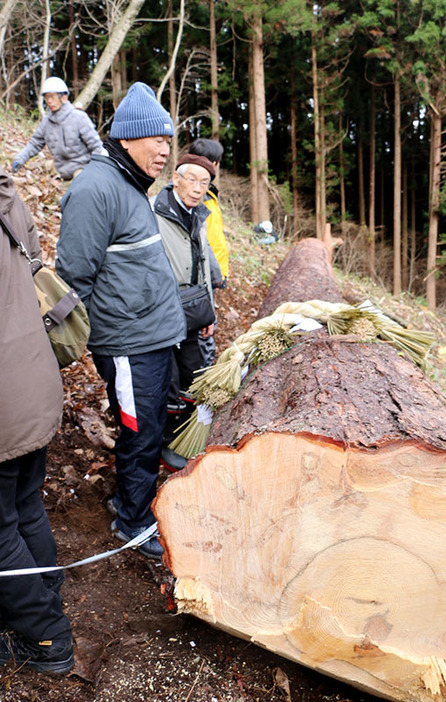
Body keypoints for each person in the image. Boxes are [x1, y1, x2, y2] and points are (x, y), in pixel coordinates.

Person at [55, 82, 186, 560]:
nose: (165, 151)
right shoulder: (96, 189)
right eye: (158, 141)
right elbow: (73, 280)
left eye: (169, 142)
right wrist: (76, 349)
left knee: (151, 427)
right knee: (139, 432)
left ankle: (133, 499)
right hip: (128, 345)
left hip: (154, 338)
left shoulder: (130, 183)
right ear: (130, 138)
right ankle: (133, 522)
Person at [0, 165, 74, 673]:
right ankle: (44, 588)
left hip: (5, 399)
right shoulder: (7, 192)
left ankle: (48, 638)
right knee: (25, 502)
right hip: (33, 378)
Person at [153, 153, 218, 471]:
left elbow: (206, 266)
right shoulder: (153, 212)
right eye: (191, 179)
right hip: (163, 311)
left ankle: (185, 439)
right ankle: (165, 444)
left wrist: (211, 314)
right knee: (168, 381)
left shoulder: (200, 215)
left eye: (204, 183)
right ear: (175, 178)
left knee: (194, 379)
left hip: (195, 311)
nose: (197, 188)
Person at [12, 76, 103, 188]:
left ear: (63, 97)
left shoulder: (79, 117)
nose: (49, 101)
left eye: (52, 97)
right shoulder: (46, 123)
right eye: (47, 97)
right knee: (66, 203)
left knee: (80, 197)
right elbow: (34, 144)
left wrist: (97, 170)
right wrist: (19, 159)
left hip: (84, 171)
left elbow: (96, 146)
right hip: (64, 175)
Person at [188, 138, 229, 367]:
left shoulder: (209, 195)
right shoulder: (198, 196)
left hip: (213, 273)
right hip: (204, 275)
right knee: (205, 326)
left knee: (207, 325)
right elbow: (203, 243)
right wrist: (216, 275)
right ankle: (203, 379)